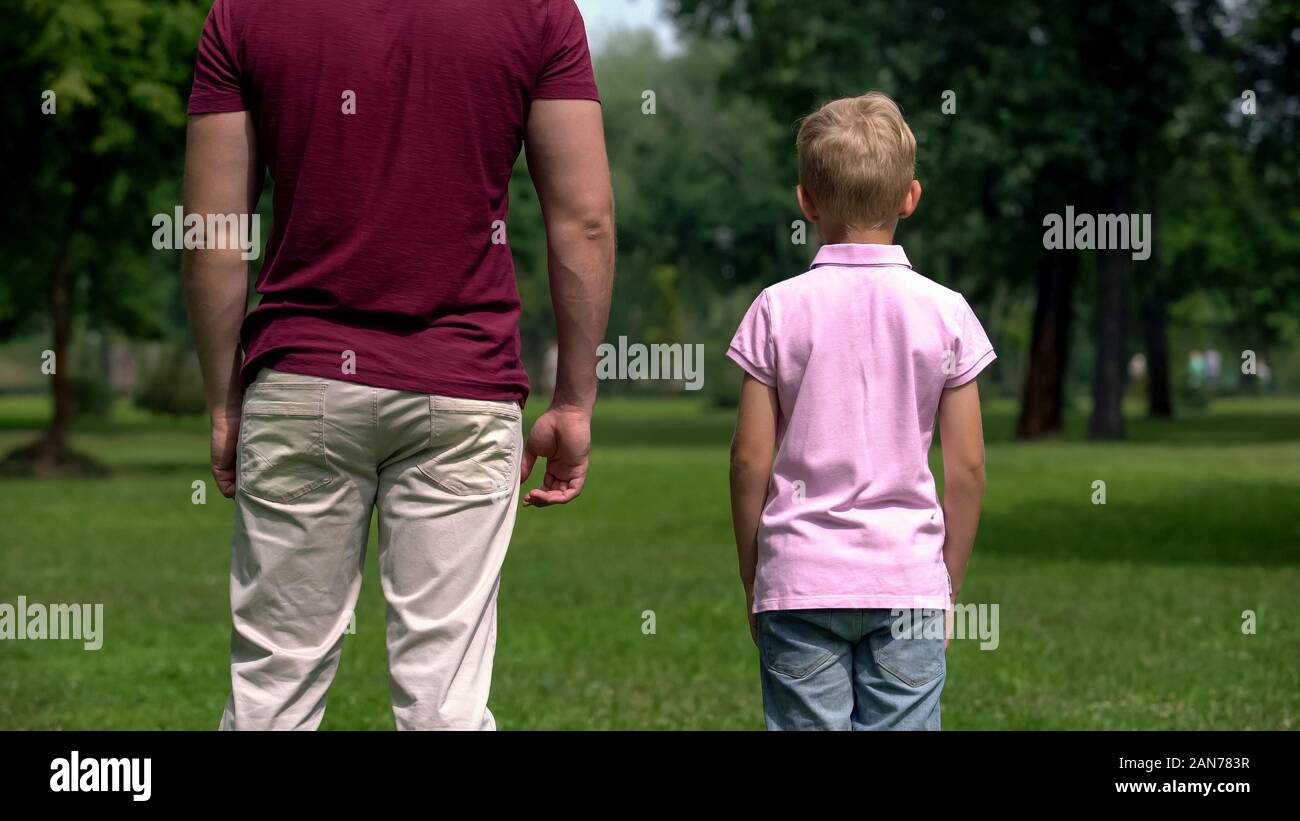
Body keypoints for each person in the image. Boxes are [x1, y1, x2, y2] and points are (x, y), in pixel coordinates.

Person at [181, 0, 614, 730]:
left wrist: (226, 400)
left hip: (300, 380)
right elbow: (586, 220)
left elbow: (214, 232)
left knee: (272, 693)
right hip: (463, 386)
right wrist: (574, 401)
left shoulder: (243, 13)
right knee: (443, 701)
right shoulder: (539, 12)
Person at [726, 92, 992, 730]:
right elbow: (968, 467)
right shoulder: (947, 312)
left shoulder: (777, 308)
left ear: (806, 202)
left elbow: (748, 459)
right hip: (908, 580)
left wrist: (755, 576)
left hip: (800, 577)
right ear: (910, 198)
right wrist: (945, 583)